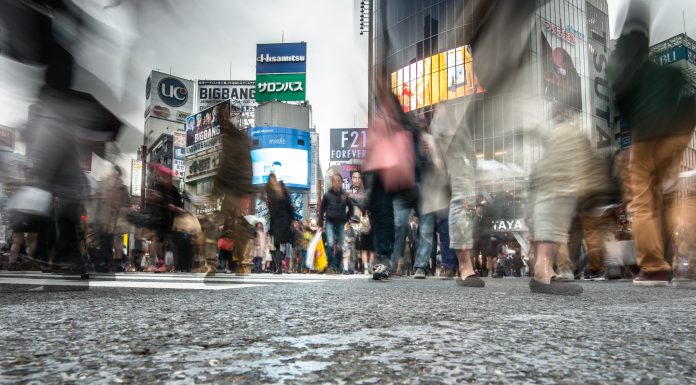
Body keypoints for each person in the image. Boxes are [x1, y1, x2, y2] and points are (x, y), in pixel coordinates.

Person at [607, 0, 696, 286]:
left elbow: (620, 98)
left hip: (647, 135)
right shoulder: (663, 71)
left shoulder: (624, 62)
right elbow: (686, 93)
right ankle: (688, 260)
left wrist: (630, 144)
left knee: (643, 202)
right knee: (669, 198)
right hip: (678, 134)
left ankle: (655, 267)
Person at [319, 174, 354, 273]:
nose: (337, 183)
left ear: (341, 182)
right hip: (329, 221)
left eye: (338, 181)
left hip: (341, 223)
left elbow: (351, 208)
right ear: (332, 182)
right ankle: (332, 265)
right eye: (335, 181)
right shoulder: (327, 195)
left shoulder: (345, 195)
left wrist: (347, 218)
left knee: (340, 245)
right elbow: (321, 210)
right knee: (330, 244)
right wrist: (320, 224)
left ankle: (338, 265)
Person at [265, 173, 295, 274]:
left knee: (284, 241)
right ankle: (279, 267)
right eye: (271, 180)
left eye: (273, 179)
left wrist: (292, 219)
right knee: (276, 242)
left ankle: (283, 266)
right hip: (275, 220)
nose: (273, 182)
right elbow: (271, 208)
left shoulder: (282, 188)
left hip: (285, 220)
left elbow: (289, 205)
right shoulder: (270, 193)